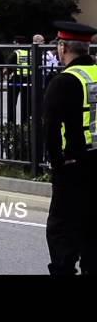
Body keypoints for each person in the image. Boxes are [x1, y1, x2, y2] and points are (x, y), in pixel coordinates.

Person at [43, 20, 97, 275]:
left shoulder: (63, 82)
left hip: (74, 166)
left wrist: (57, 164)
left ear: (63, 47)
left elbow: (51, 130)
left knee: (61, 229)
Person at [5, 35, 30, 124]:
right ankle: (25, 122)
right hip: (28, 79)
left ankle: (11, 122)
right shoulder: (30, 52)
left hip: (15, 79)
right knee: (26, 103)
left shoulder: (16, 53)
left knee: (11, 103)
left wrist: (6, 75)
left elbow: (8, 67)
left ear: (17, 43)